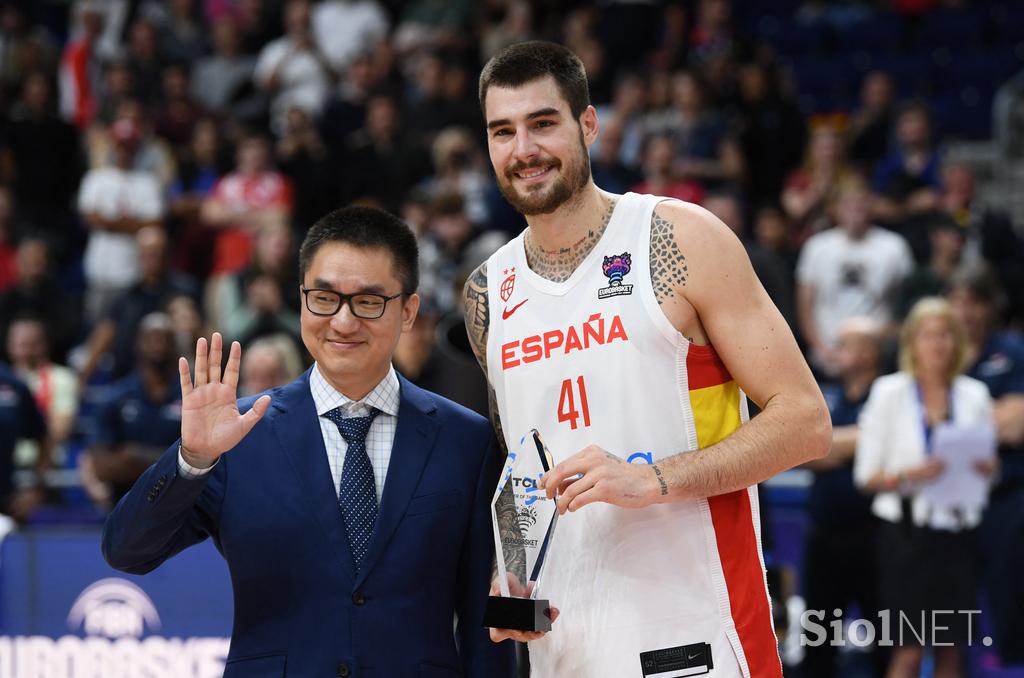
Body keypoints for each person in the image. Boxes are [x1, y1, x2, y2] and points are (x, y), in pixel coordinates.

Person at [465, 41, 830, 677]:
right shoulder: (487, 293)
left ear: (588, 124)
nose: (523, 150)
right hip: (563, 650)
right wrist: (512, 571)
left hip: (696, 634)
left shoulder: (678, 237)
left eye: (543, 123)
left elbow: (805, 422)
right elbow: (523, 468)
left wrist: (652, 479)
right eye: (504, 131)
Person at [103, 206, 514, 677]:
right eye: (324, 297)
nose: (342, 321)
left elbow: (485, 623)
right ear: (301, 301)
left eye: (368, 301)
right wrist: (192, 459)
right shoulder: (237, 432)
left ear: (408, 311)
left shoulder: (466, 439)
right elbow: (127, 551)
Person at [854, 297, 996, 678]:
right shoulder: (889, 392)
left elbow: (986, 472)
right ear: (912, 343)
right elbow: (866, 476)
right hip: (906, 536)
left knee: (952, 651)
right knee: (910, 651)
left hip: (957, 532)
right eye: (929, 335)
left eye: (946, 334)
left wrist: (988, 468)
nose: (938, 343)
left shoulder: (974, 395)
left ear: (958, 342)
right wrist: (909, 476)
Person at [801, 317, 886, 678]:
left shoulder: (888, 393)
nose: (833, 352)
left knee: (886, 640)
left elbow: (887, 447)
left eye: (844, 345)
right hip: (823, 536)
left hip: (876, 538)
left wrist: (831, 446)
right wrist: (859, 442)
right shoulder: (824, 394)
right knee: (817, 642)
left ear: (868, 354)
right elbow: (803, 450)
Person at [948, 267, 1024, 663]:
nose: (966, 312)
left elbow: (1017, 423)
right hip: (947, 500)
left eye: (974, 302)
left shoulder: (1010, 350)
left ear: (989, 307)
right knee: (949, 612)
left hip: (1004, 496)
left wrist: (947, 421)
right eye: (958, 301)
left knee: (1008, 592)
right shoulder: (940, 353)